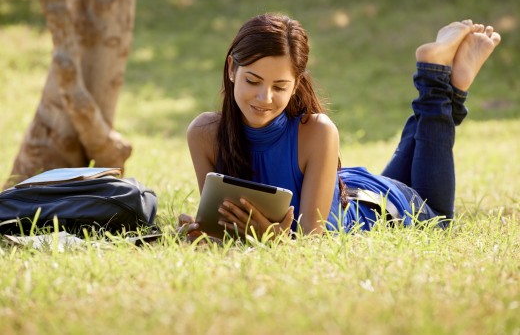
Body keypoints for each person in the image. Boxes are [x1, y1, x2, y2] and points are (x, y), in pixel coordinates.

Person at [179, 13, 501, 239]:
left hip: (379, 209)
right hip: (350, 189)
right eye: (253, 81)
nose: (265, 97)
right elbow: (219, 222)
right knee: (425, 141)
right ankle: (452, 86)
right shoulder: (205, 134)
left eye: (280, 86)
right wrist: (200, 232)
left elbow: (313, 241)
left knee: (439, 220)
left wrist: (272, 240)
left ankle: (433, 75)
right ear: (233, 69)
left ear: (296, 84)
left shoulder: (317, 131)